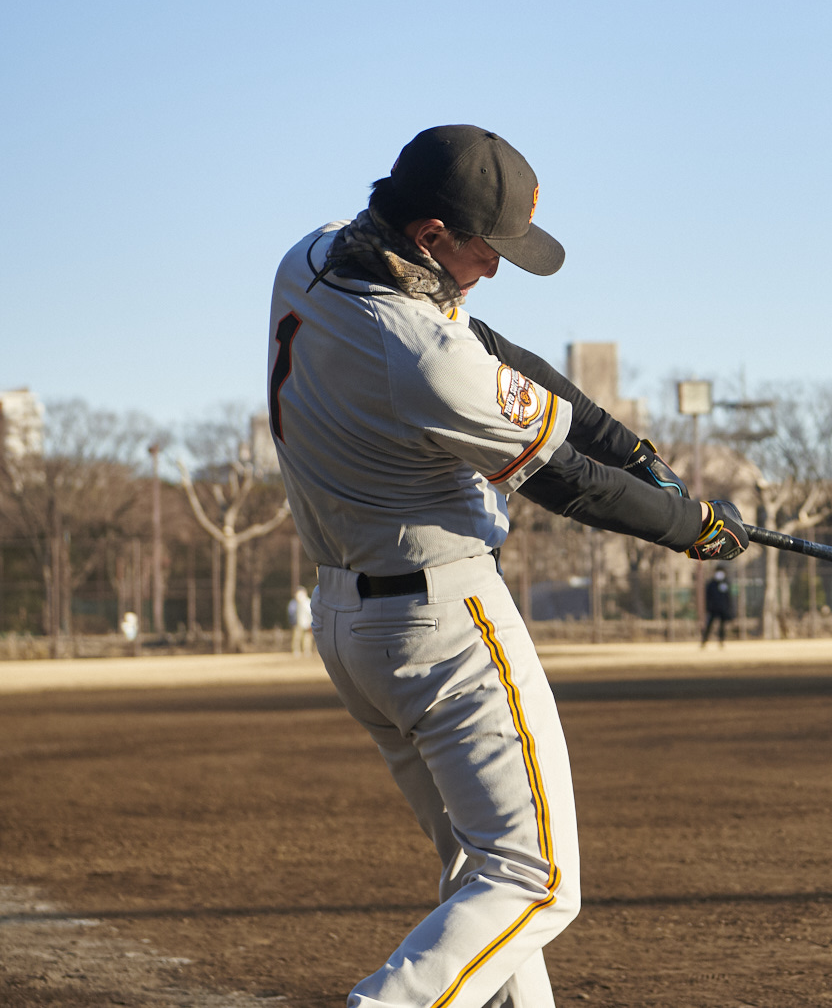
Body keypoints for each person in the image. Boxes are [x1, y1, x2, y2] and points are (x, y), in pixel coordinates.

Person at [266, 125, 748, 1008]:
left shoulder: (317, 252)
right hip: (443, 624)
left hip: (352, 627)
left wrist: (633, 446)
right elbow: (564, 482)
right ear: (432, 236)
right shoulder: (421, 358)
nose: (493, 267)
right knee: (535, 880)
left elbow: (491, 343)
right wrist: (688, 524)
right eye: (486, 250)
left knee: (481, 876)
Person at [701, 568, 735, 648]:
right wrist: (708, 608)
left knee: (722, 627)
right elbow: (707, 597)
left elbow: (728, 597)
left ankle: (721, 641)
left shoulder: (726, 583)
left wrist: (729, 608)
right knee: (709, 626)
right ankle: (704, 641)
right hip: (713, 609)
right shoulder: (711, 584)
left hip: (723, 609)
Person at [287, 584, 314, 655]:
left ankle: (307, 651)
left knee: (307, 638)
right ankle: (296, 651)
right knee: (297, 638)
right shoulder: (294, 603)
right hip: (298, 623)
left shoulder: (308, 602)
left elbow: (311, 613)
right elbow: (291, 613)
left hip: (308, 623)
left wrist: (311, 622)